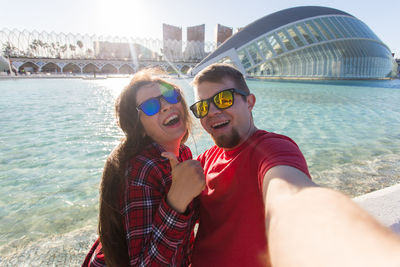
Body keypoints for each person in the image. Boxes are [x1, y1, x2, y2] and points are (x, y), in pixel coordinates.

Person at [171, 63, 400, 267]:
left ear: (249, 102)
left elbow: (292, 195)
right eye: (202, 107)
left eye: (224, 99)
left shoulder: (272, 149)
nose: (212, 111)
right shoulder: (204, 160)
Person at [82, 70, 205, 267]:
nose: (166, 106)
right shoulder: (142, 170)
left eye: (170, 95)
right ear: (139, 127)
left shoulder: (183, 154)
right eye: (150, 106)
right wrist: (177, 201)